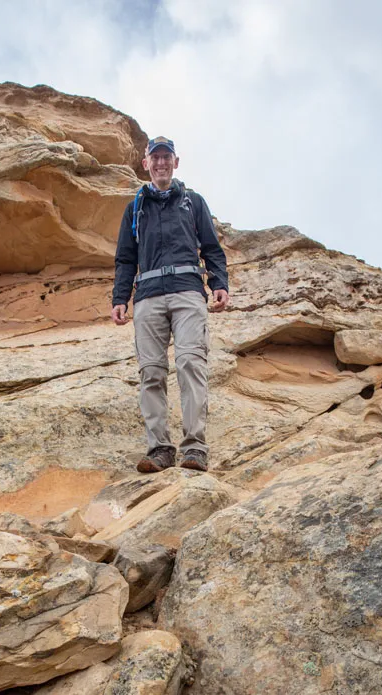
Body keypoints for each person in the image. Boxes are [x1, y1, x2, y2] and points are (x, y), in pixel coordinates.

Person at [111, 136, 229, 473]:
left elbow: (211, 247)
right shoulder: (135, 208)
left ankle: (194, 448)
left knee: (191, 363)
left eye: (167, 157)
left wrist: (219, 283)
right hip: (148, 295)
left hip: (187, 291)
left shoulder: (192, 202)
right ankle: (160, 449)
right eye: (155, 158)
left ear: (176, 163)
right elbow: (125, 258)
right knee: (151, 372)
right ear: (146, 164)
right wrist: (121, 297)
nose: (161, 163)